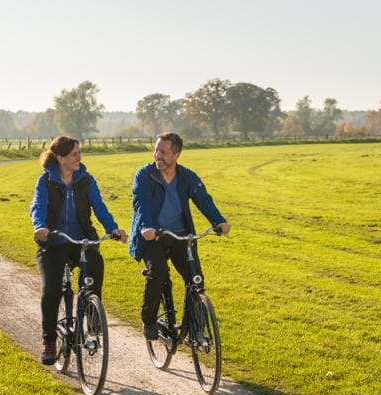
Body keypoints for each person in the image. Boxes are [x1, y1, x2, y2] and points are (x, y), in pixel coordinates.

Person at [30, 135, 127, 365]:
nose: (79, 158)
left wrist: (113, 229)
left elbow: (100, 207)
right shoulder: (46, 181)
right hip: (53, 242)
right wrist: (40, 226)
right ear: (61, 157)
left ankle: (93, 319)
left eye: (79, 153)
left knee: (94, 269)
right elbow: (38, 206)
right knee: (51, 290)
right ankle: (50, 341)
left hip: (82, 240)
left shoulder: (86, 179)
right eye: (74, 154)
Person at [130, 132, 231, 340]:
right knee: (158, 273)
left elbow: (204, 200)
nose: (157, 155)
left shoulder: (186, 176)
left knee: (196, 280)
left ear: (176, 155)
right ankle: (148, 320)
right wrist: (147, 227)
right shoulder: (144, 175)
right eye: (156, 150)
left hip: (181, 237)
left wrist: (218, 221)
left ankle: (195, 329)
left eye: (163, 152)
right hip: (152, 236)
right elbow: (142, 204)